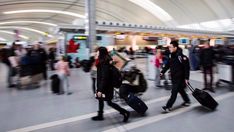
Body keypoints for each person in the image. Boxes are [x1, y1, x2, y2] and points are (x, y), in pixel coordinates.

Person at [92, 47, 130, 122]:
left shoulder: (104, 62)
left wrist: (100, 89)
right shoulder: (103, 60)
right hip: (103, 85)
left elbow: (105, 77)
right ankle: (100, 115)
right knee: (100, 99)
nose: (97, 53)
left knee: (109, 102)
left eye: (98, 52)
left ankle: (125, 112)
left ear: (101, 53)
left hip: (106, 86)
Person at [160, 41, 191, 113]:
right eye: (169, 47)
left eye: (171, 47)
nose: (169, 48)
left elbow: (187, 68)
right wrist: (162, 72)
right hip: (174, 77)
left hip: (180, 78)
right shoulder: (171, 56)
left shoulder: (182, 57)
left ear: (175, 48)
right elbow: (167, 65)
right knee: (181, 90)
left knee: (174, 92)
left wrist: (186, 78)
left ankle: (168, 106)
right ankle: (187, 101)